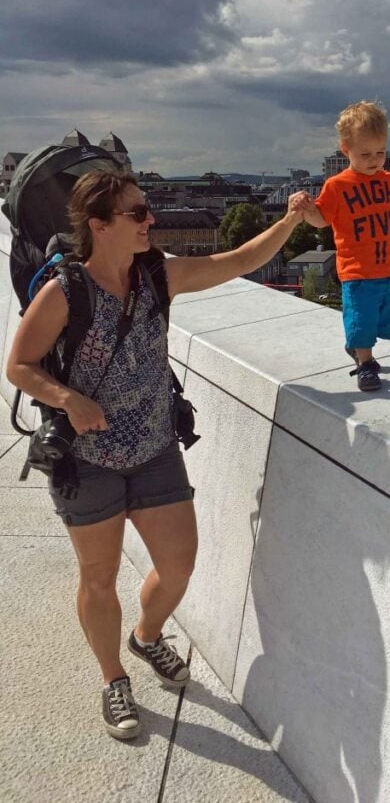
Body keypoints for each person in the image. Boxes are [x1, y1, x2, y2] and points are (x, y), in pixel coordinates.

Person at [5, 171, 306, 739]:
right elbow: (19, 365)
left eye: (147, 210)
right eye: (137, 213)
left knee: (178, 566)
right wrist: (69, 398)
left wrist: (290, 219)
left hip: (153, 449)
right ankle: (113, 678)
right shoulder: (65, 291)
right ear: (98, 226)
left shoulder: (156, 277)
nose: (151, 220)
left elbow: (236, 261)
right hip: (87, 459)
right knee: (99, 578)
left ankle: (145, 637)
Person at [298, 100, 390, 391]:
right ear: (346, 150)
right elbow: (322, 220)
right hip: (357, 271)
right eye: (365, 154)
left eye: (380, 153)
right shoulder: (337, 186)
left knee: (382, 318)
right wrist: (306, 210)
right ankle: (365, 363)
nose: (375, 160)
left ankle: (357, 346)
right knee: (362, 318)